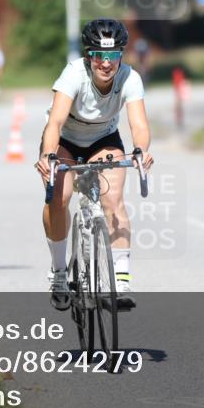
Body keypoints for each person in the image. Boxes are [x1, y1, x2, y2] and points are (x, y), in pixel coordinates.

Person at [35, 18, 154, 312]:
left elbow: (139, 125)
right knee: (59, 198)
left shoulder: (130, 78)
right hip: (65, 140)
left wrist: (141, 150)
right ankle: (60, 272)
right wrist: (49, 155)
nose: (106, 63)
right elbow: (56, 121)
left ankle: (121, 280)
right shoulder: (74, 74)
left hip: (103, 139)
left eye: (113, 55)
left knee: (113, 200)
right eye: (99, 55)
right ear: (89, 56)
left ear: (120, 56)